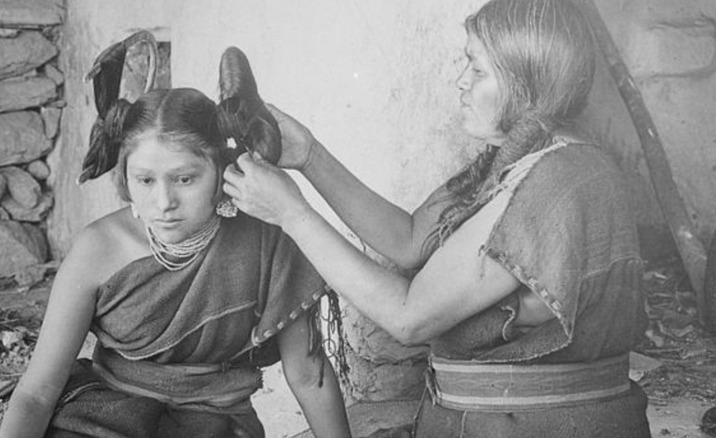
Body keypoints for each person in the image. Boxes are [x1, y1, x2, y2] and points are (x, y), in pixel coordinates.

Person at [222, 0, 651, 436]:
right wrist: (309, 154)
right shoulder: (524, 158)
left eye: (478, 70)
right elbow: (409, 239)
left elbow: (409, 317)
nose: (460, 82)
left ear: (528, 81)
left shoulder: (556, 181)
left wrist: (292, 214)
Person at [0, 33, 350, 438]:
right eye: (145, 180)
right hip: (105, 416)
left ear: (220, 172)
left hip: (216, 421)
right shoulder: (99, 248)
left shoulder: (266, 239)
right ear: (125, 179)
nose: (164, 201)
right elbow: (39, 391)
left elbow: (309, 375)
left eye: (185, 178)